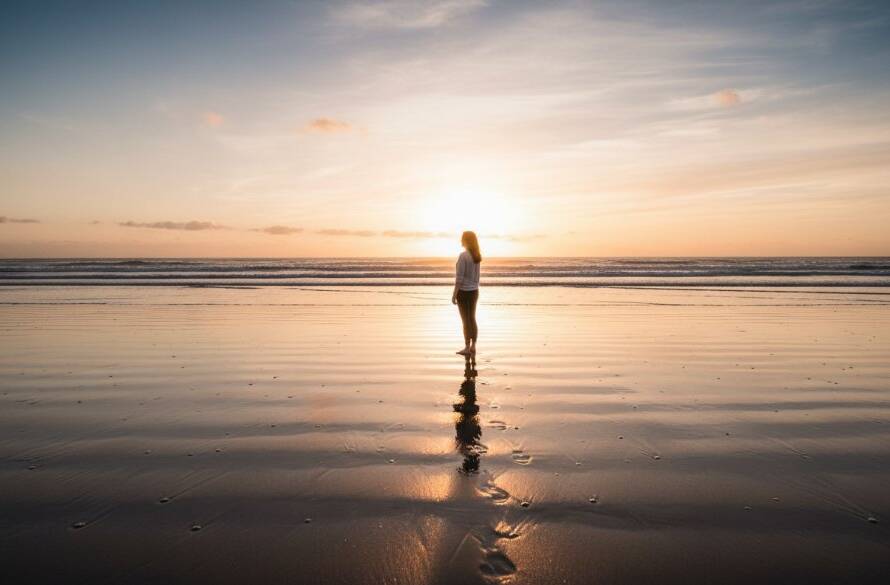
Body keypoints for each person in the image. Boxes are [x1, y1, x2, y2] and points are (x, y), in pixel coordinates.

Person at [452, 231, 481, 356]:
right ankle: (473, 346)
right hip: (474, 291)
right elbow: (477, 276)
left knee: (465, 320)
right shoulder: (477, 256)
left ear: (466, 241)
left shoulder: (463, 256)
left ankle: (466, 347)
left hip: (463, 292)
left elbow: (459, 278)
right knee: (472, 318)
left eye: (462, 239)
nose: (460, 241)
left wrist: (454, 294)